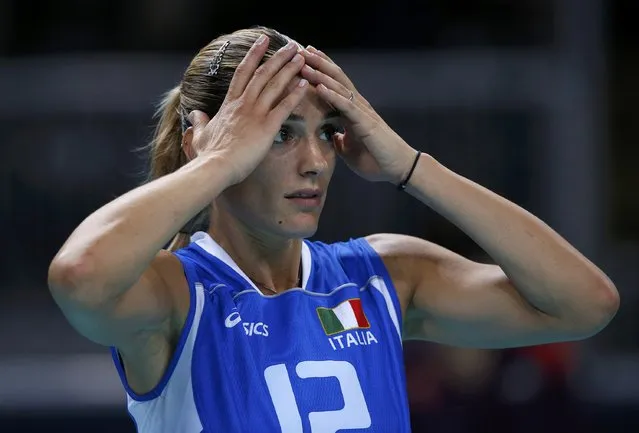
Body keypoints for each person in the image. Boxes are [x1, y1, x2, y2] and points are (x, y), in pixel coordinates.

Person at [47, 26, 619, 432]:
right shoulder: (176, 295)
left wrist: (413, 167)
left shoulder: (383, 277)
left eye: (326, 132)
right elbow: (80, 275)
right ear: (211, 139)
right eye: (279, 134)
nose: (316, 162)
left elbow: (584, 304)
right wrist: (215, 162)